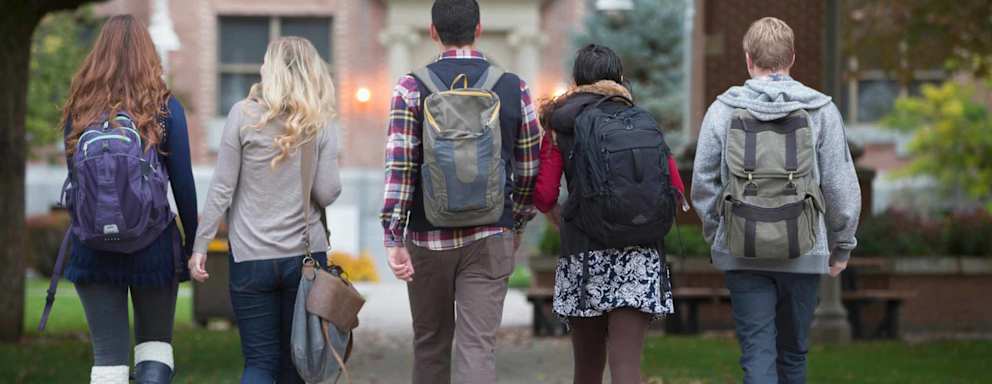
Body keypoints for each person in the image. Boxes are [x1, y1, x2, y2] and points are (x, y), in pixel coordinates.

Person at [691, 17, 861, 384]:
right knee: (794, 355)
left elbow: (702, 183)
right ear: (793, 58)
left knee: (757, 353)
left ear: (749, 60)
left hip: (742, 249)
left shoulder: (722, 110)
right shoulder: (821, 111)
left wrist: (718, 235)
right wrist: (842, 246)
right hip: (804, 250)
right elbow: (840, 183)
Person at [379, 0, 541, 382]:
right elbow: (530, 164)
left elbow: (400, 165)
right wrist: (514, 223)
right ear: (479, 29)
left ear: (433, 31)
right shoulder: (513, 85)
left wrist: (392, 235)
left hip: (426, 235)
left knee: (431, 342)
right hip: (490, 235)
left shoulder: (410, 86)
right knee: (477, 346)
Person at [189, 37, 342, 384]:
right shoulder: (318, 121)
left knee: (259, 362)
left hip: (250, 257)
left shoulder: (242, 115)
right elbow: (327, 191)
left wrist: (200, 246)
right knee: (297, 365)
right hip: (304, 260)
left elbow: (221, 188)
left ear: (271, 70)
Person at [57, 15, 198, 384]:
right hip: (152, 244)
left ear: (97, 56)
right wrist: (193, 243)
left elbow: (76, 179)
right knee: (154, 350)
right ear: (147, 55)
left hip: (92, 248)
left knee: (107, 361)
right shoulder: (164, 109)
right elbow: (183, 184)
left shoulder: (79, 110)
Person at [535, 44, 685, 384]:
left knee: (587, 368)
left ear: (576, 80)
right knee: (627, 365)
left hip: (584, 256)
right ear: (619, 78)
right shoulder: (639, 121)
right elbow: (675, 186)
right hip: (639, 254)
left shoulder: (560, 124)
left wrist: (559, 215)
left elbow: (544, 193)